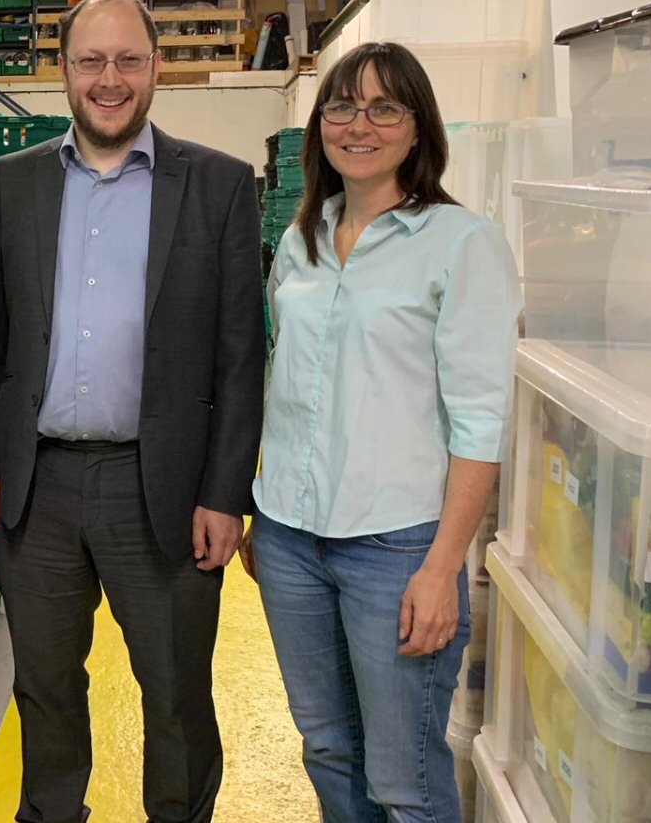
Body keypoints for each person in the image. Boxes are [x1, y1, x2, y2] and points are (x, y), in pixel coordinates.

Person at [0, 0, 266, 823]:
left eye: (129, 60)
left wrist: (226, 494)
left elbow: (242, 358)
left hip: (162, 487)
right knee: (45, 687)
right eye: (91, 60)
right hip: (39, 487)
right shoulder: (18, 181)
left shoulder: (218, 186)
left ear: (157, 68)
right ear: (63, 71)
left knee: (175, 693)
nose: (110, 78)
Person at [253, 41, 521, 823]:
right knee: (328, 750)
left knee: (405, 780)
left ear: (417, 129)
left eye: (383, 108)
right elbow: (284, 382)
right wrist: (267, 506)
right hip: (290, 537)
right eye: (341, 107)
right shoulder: (301, 239)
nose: (358, 125)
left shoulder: (462, 243)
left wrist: (443, 566)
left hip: (396, 548)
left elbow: (480, 422)